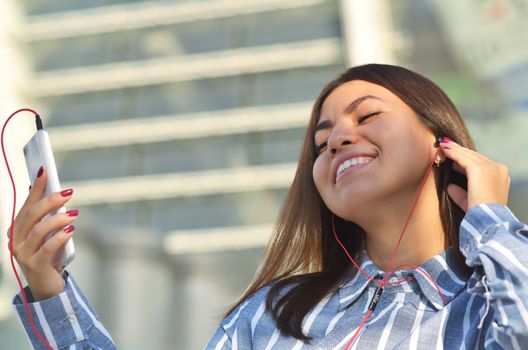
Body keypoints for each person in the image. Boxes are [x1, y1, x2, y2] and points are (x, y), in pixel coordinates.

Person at [9, 64, 528, 349]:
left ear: (443, 144)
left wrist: (490, 222)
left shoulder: (487, 301)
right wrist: (50, 286)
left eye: (366, 116)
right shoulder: (274, 315)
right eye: (321, 143)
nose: (338, 141)